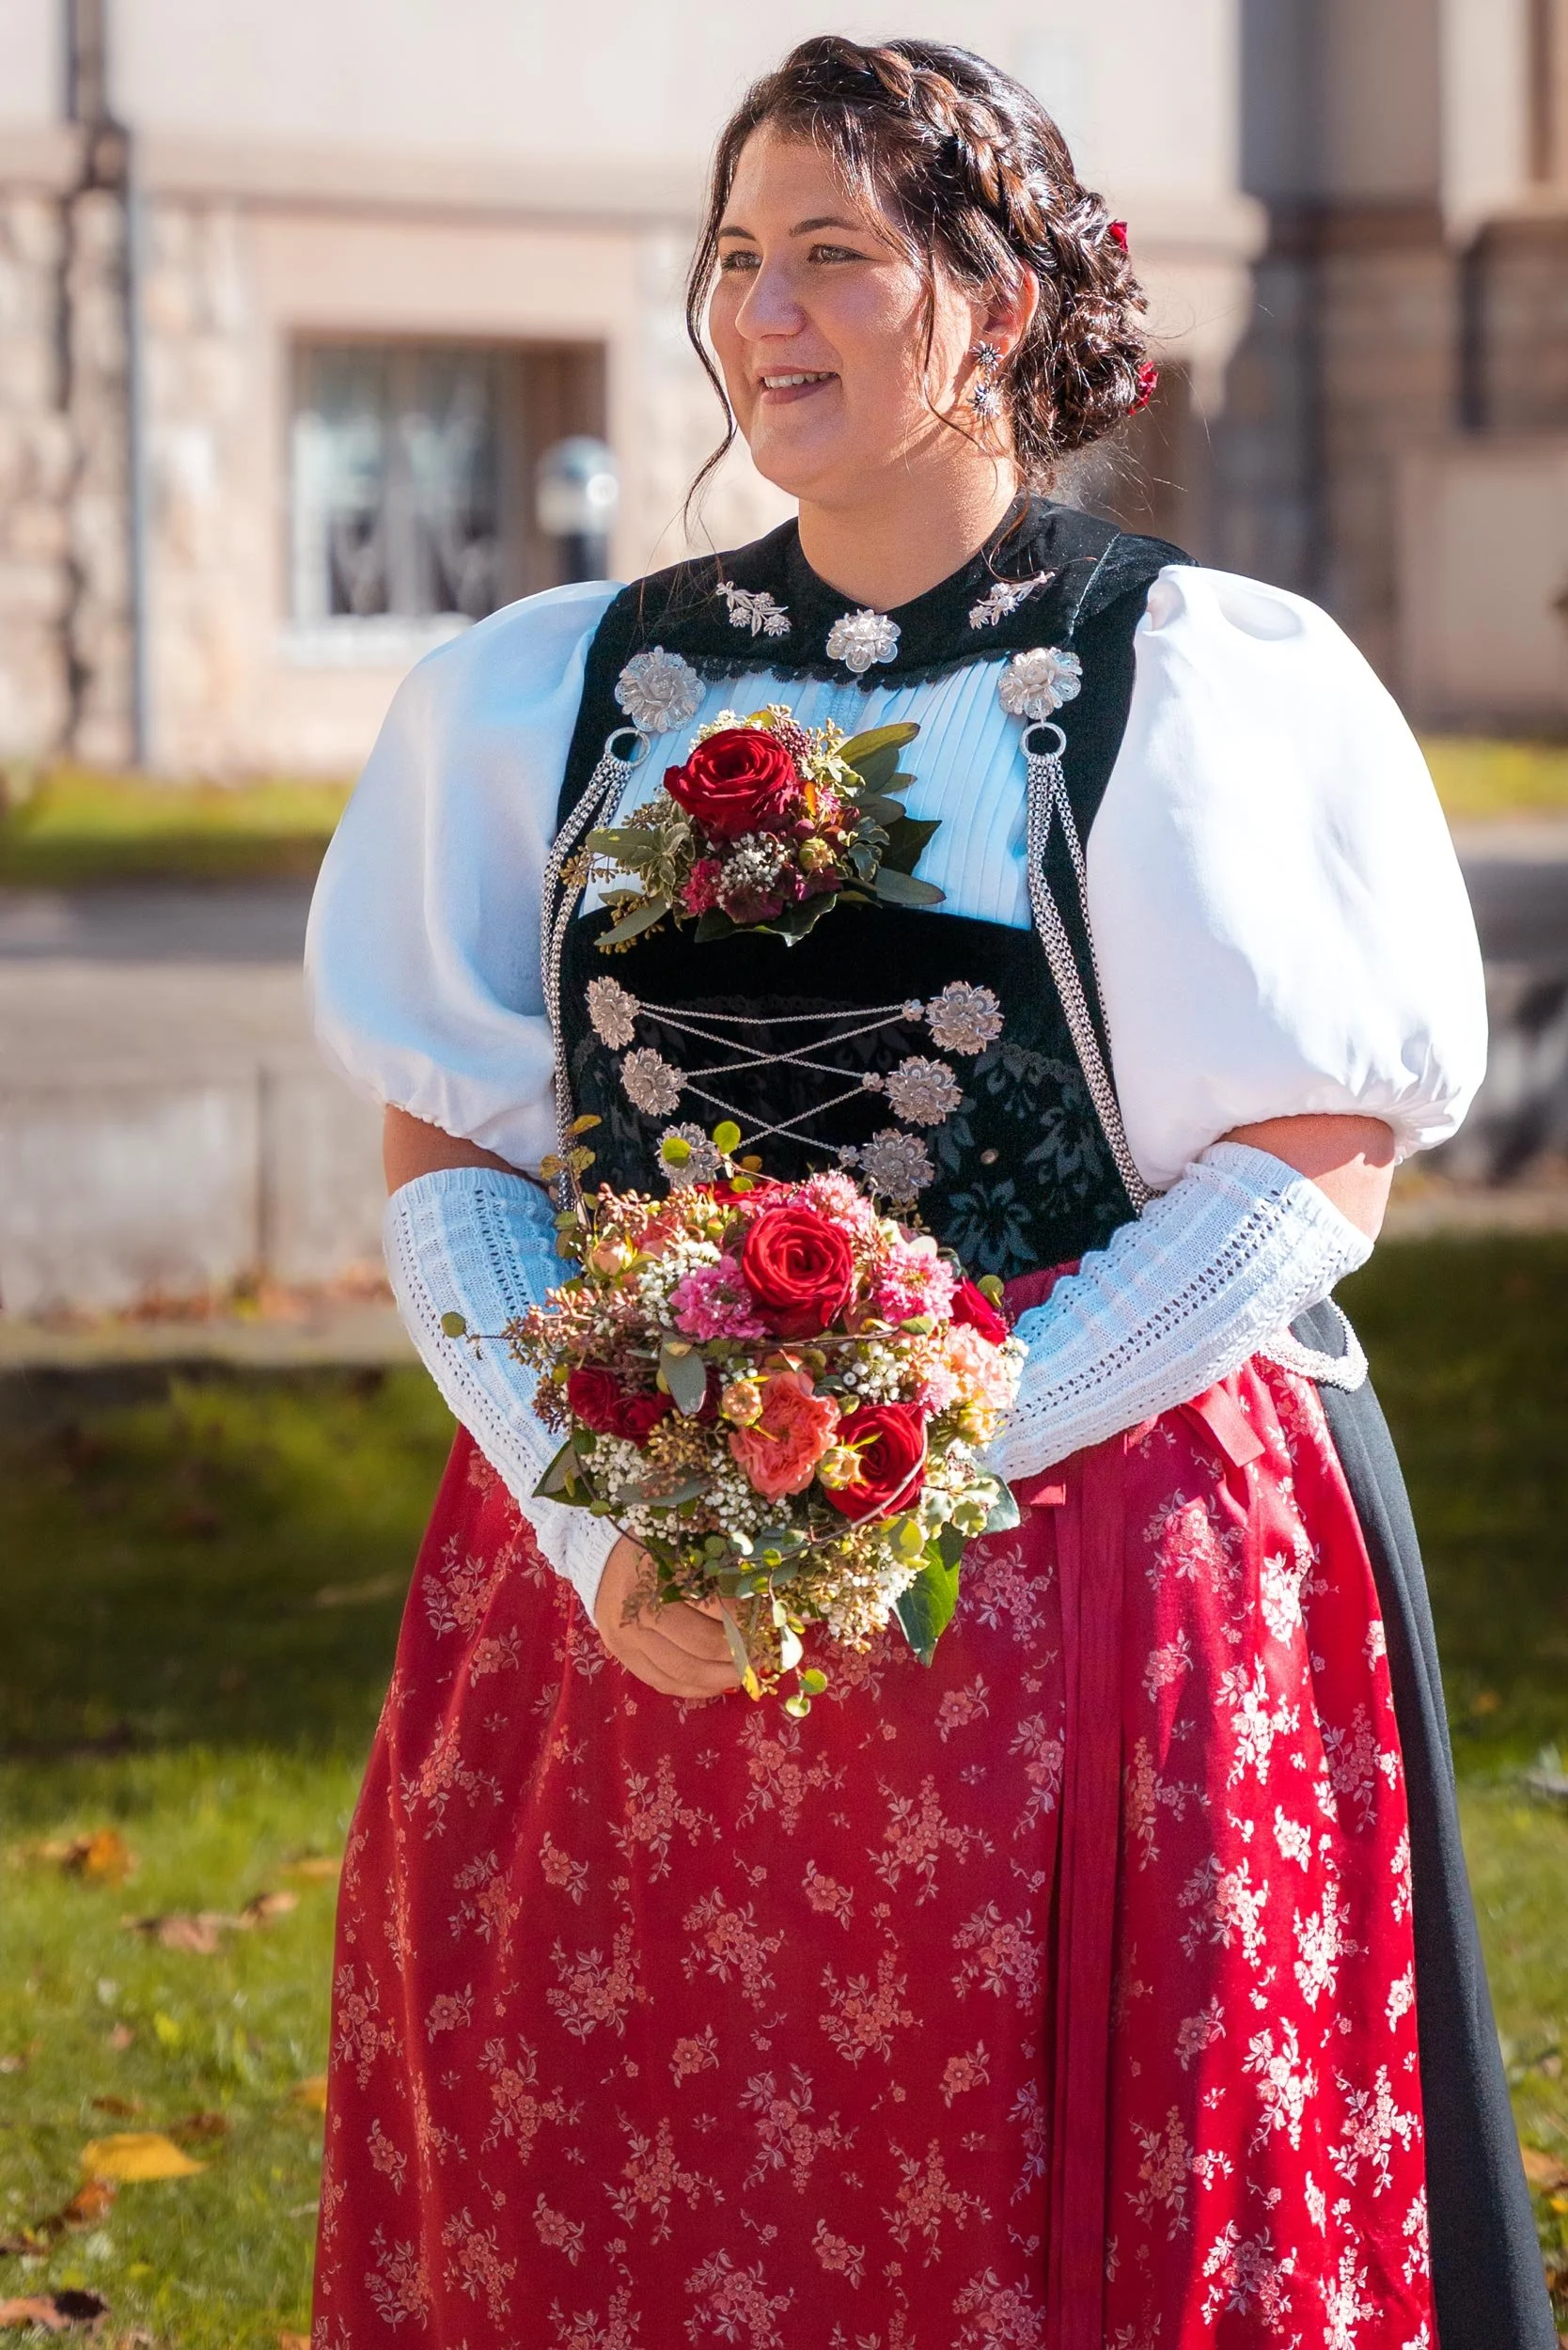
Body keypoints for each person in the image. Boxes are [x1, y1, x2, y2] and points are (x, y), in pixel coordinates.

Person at [304, 36, 1553, 2350]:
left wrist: (914, 1451)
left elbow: (1305, 1163)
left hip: (1090, 1574)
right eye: (738, 261)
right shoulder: (550, 692)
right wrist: (607, 1512)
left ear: (994, 301)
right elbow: (454, 1148)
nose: (767, 313)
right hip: (628, 1596)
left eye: (839, 260)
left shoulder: (1195, 678)